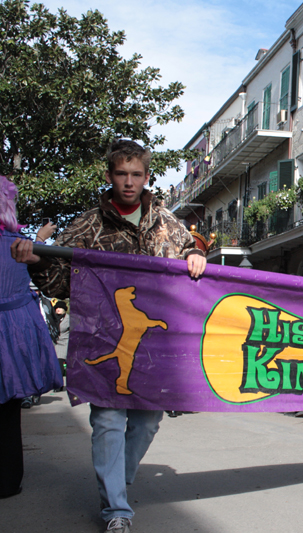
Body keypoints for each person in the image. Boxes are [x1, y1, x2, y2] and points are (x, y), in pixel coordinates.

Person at [10, 140, 207, 533]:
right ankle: (116, 508)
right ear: (109, 176)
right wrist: (36, 261)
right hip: (100, 337)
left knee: (147, 424)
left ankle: (117, 480)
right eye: (121, 174)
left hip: (153, 350)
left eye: (136, 174)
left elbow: (191, 258)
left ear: (146, 177)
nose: (129, 182)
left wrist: (196, 255)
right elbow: (60, 282)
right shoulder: (86, 226)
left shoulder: (168, 224)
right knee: (107, 424)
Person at [1, 175, 63, 499]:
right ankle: (8, 480)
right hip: (16, 331)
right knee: (9, 412)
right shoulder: (20, 243)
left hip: (12, 327)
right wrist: (39, 240)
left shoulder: (19, 244)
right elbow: (48, 275)